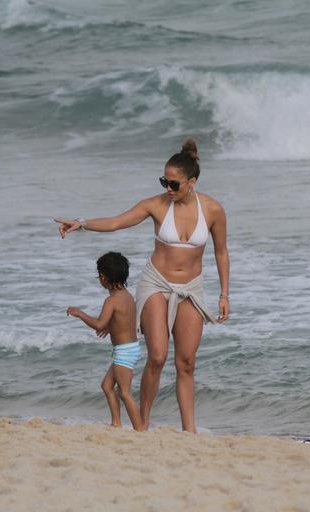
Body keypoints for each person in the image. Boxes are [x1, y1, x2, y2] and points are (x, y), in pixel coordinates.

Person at [55, 139, 230, 433]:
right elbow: (117, 222)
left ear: (192, 182)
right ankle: (143, 424)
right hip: (156, 283)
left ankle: (190, 430)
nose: (168, 189)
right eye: (164, 182)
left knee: (186, 362)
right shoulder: (157, 205)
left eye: (174, 184)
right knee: (158, 355)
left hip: (191, 287)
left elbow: (221, 252)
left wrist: (225, 293)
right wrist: (81, 223)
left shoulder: (212, 210)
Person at [66, 252, 144, 431]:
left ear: (103, 277)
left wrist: (80, 314)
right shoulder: (127, 296)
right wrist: (112, 328)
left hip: (124, 350)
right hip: (129, 348)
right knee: (107, 385)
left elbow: (99, 324)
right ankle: (116, 423)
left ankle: (140, 429)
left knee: (124, 393)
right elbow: (126, 319)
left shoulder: (111, 300)